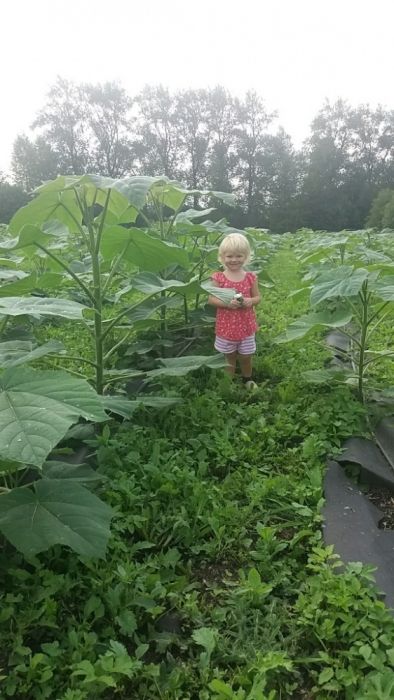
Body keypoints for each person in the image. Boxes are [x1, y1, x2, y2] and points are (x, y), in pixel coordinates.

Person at [208, 233, 261, 389]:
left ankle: (247, 379)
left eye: (239, 256)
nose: (234, 260)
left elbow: (258, 297)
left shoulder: (250, 277)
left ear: (246, 256)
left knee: (246, 356)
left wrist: (250, 301)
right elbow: (211, 299)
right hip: (227, 326)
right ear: (222, 257)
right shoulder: (218, 278)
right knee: (229, 356)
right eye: (229, 256)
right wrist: (226, 303)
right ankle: (228, 382)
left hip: (246, 325)